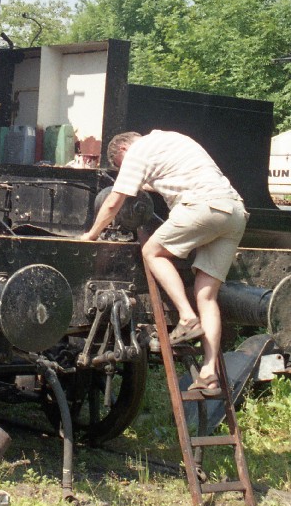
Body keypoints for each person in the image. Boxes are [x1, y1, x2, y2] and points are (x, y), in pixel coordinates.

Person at [82, 130, 249, 397]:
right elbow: (166, 179)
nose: (125, 170)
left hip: (203, 207)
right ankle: (209, 374)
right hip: (234, 212)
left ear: (122, 150)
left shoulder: (136, 152)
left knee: (152, 252)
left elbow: (114, 201)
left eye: (121, 167)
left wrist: (91, 235)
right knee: (207, 296)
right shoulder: (172, 140)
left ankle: (187, 317)